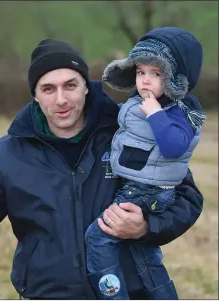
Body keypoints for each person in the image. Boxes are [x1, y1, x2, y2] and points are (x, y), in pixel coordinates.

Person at [0, 37, 204, 300]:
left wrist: (147, 225)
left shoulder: (132, 133)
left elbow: (186, 197)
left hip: (130, 293)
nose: (61, 99)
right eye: (48, 89)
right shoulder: (6, 155)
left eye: (70, 85)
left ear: (86, 86)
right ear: (35, 96)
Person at [85, 27, 206, 300]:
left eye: (156, 74)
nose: (145, 81)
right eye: (141, 72)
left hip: (147, 190)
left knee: (98, 237)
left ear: (176, 78)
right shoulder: (140, 101)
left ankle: (113, 296)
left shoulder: (181, 111)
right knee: (144, 253)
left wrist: (156, 115)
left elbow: (175, 146)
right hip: (138, 184)